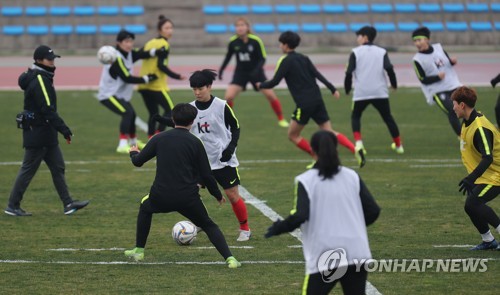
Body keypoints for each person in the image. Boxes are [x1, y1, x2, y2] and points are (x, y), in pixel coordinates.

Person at [124, 103, 241, 268]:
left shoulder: (159, 138)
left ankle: (139, 250)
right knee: (208, 225)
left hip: (161, 195)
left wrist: (133, 152)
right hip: (187, 197)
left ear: (172, 119)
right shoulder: (195, 142)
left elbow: (138, 162)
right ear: (192, 121)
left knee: (145, 207)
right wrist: (217, 194)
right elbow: (207, 174)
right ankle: (230, 259)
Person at [265, 130, 380, 294]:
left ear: (312, 151)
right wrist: (353, 227)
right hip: (357, 251)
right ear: (337, 149)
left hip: (326, 254)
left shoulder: (306, 180)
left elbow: (301, 215)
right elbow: (373, 211)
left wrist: (279, 227)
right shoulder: (352, 176)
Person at [258, 31, 365, 168]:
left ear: (285, 45)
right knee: (329, 132)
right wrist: (332, 88)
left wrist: (261, 85)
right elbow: (317, 74)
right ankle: (354, 148)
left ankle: (316, 157)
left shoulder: (285, 61)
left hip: (304, 104)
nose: (280, 46)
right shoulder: (304, 58)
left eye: (281, 44)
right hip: (317, 100)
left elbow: (274, 82)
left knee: (293, 135)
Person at [4, 45, 89, 216]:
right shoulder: (41, 80)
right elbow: (48, 109)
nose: (52, 63)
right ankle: (12, 206)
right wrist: (64, 129)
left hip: (45, 133)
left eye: (53, 59)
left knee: (58, 167)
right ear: (38, 61)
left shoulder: (40, 77)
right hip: (39, 133)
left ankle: (68, 203)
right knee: (28, 170)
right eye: (49, 60)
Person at [188, 69, 252, 242]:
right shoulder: (191, 108)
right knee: (190, 192)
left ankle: (245, 229)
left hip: (223, 160)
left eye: (200, 88)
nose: (197, 92)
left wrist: (230, 148)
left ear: (209, 86)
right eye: (194, 89)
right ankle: (201, 221)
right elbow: (178, 123)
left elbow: (236, 127)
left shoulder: (222, 106)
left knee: (232, 195)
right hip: (201, 162)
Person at [451, 86, 500, 251]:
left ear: (462, 105)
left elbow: (488, 157)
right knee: (470, 205)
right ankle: (488, 241)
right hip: (487, 175)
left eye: (455, 104)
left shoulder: (480, 128)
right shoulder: (467, 122)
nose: (453, 108)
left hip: (496, 175)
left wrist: (471, 178)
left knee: (474, 203)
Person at [97, 29, 160, 153]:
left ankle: (133, 142)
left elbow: (142, 54)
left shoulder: (130, 54)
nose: (129, 44)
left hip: (119, 95)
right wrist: (147, 78)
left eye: (131, 41)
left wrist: (157, 51)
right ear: (119, 43)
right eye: (126, 41)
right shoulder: (116, 58)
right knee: (127, 113)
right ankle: (122, 144)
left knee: (133, 115)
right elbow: (127, 78)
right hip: (108, 95)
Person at [219, 17, 288, 128]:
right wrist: (221, 70)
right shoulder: (233, 42)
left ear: (247, 27)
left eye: (242, 25)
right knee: (228, 97)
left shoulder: (255, 40)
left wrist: (256, 71)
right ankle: (227, 121)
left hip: (257, 73)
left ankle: (281, 119)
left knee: (270, 95)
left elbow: (263, 58)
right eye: (237, 26)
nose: (240, 28)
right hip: (240, 73)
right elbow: (228, 56)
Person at [344, 26, 403, 155]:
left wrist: (347, 89)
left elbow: (348, 72)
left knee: (356, 116)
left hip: (361, 93)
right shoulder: (381, 51)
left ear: (365, 37)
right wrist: (394, 84)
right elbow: (389, 69)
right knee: (388, 117)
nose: (357, 39)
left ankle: (359, 145)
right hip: (379, 92)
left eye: (358, 36)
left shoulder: (355, 52)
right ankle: (399, 146)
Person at [138, 16, 186, 139]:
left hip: (143, 85)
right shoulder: (164, 44)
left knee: (153, 113)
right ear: (160, 30)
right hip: (156, 85)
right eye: (167, 28)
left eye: (171, 28)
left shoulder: (150, 42)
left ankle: (150, 139)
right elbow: (161, 66)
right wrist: (177, 76)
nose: (170, 30)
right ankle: (159, 135)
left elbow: (139, 54)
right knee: (171, 111)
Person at [412, 26, 462, 137]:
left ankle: (472, 133)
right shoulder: (417, 59)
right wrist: (437, 77)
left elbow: (446, 62)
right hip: (437, 91)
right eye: (415, 41)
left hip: (453, 84)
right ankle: (462, 137)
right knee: (452, 111)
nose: (417, 43)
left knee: (467, 109)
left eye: (419, 40)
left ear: (427, 40)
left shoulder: (439, 48)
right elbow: (422, 79)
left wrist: (452, 61)